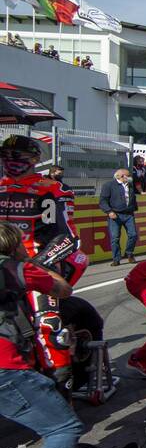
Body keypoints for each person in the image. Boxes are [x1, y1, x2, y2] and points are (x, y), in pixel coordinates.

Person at [0, 222, 87, 448]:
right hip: (5, 366)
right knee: (64, 427)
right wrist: (35, 264)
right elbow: (62, 291)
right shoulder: (18, 269)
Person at [0, 135, 86, 386]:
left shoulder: (52, 189)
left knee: (48, 325)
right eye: (5, 156)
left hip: (40, 263)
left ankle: (61, 391)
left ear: (35, 159)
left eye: (17, 156)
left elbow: (68, 238)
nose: (10, 161)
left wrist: (35, 264)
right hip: (4, 265)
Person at [99, 167, 138, 265]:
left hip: (128, 214)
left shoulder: (130, 185)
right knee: (115, 237)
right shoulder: (109, 185)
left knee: (133, 235)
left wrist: (134, 208)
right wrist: (109, 211)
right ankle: (116, 258)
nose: (130, 177)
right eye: (128, 175)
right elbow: (103, 201)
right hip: (115, 214)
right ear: (121, 176)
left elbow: (133, 197)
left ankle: (129, 253)